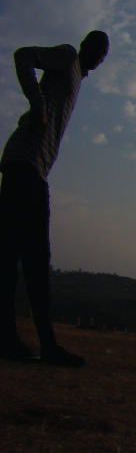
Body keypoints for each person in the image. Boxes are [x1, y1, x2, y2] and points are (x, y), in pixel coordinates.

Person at [1, 30, 109, 366]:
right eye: (97, 47)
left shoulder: (76, 76)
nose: (99, 55)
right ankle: (8, 341)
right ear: (84, 46)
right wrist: (37, 104)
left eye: (103, 52)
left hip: (37, 172)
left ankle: (47, 346)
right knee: (11, 255)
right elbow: (23, 56)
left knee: (36, 261)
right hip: (23, 163)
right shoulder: (66, 57)